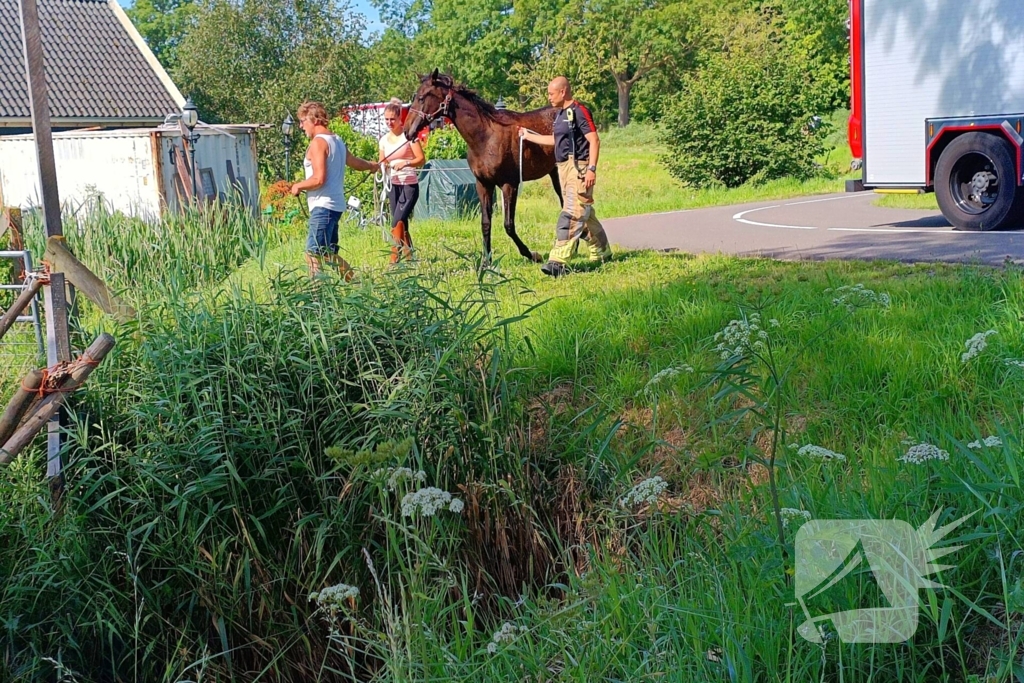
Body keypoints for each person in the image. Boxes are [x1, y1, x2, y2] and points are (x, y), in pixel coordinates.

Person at [519, 77, 612, 277]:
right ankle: (603, 251)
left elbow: (594, 140)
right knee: (584, 210)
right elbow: (555, 140)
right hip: (563, 168)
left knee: (572, 212)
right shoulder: (561, 115)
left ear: (563, 92)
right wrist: (528, 135)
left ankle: (558, 260)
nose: (549, 97)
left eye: (551, 93)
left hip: (579, 167)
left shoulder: (579, 111)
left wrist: (591, 169)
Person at [290, 100, 377, 279]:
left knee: (312, 254)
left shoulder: (318, 143)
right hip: (335, 206)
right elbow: (355, 163)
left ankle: (317, 300)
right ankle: (357, 286)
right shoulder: (336, 140)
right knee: (328, 254)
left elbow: (318, 178)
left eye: (302, 121)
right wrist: (371, 165)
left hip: (323, 206)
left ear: (314, 120)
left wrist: (298, 185)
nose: (301, 126)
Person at [379, 98, 425, 264]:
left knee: (397, 220)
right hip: (393, 185)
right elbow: (382, 161)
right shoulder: (383, 140)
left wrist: (405, 162)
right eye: (386, 119)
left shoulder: (409, 137)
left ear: (400, 119)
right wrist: (380, 167)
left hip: (409, 185)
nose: (389, 123)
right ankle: (409, 257)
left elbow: (421, 159)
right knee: (401, 222)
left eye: (392, 119)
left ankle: (393, 257)